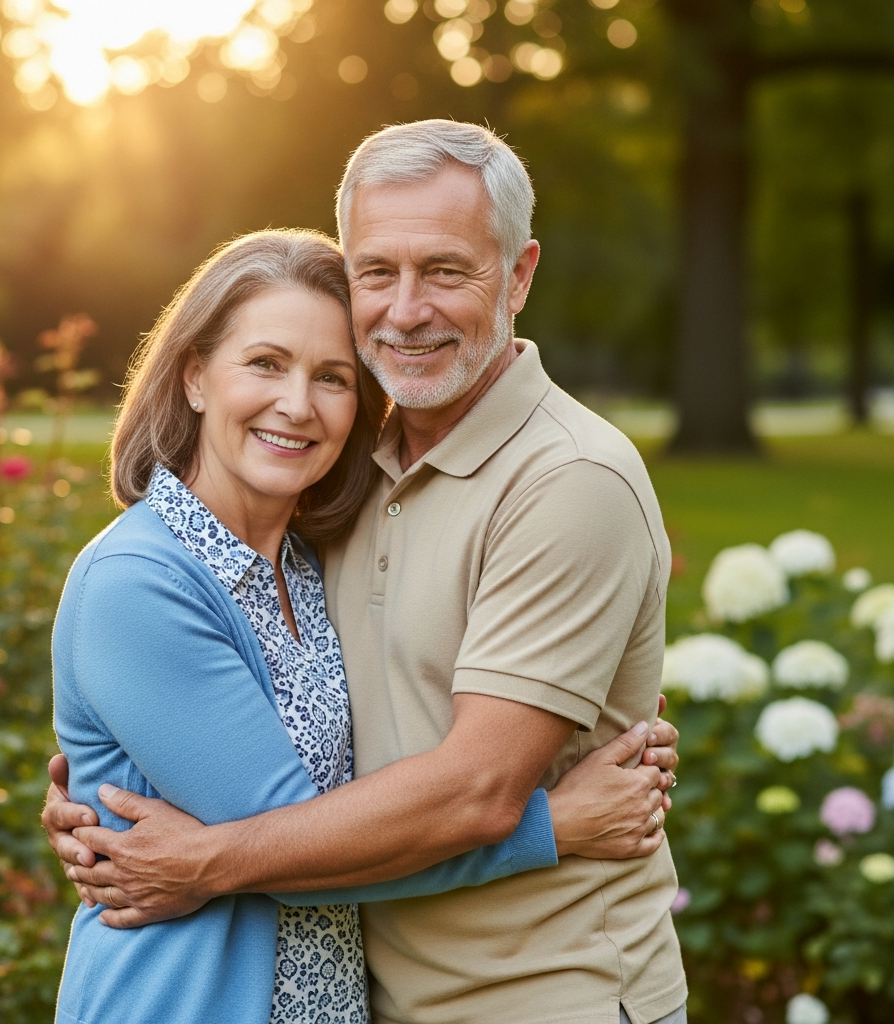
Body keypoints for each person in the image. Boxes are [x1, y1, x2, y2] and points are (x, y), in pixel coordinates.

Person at [45, 121, 685, 1024]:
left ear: (520, 274)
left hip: (539, 996)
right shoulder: (334, 493)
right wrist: (557, 820)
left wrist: (201, 861)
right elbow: (290, 805)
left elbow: (471, 790)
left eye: (448, 270)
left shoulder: (566, 481)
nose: (407, 308)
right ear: (195, 377)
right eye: (377, 273)